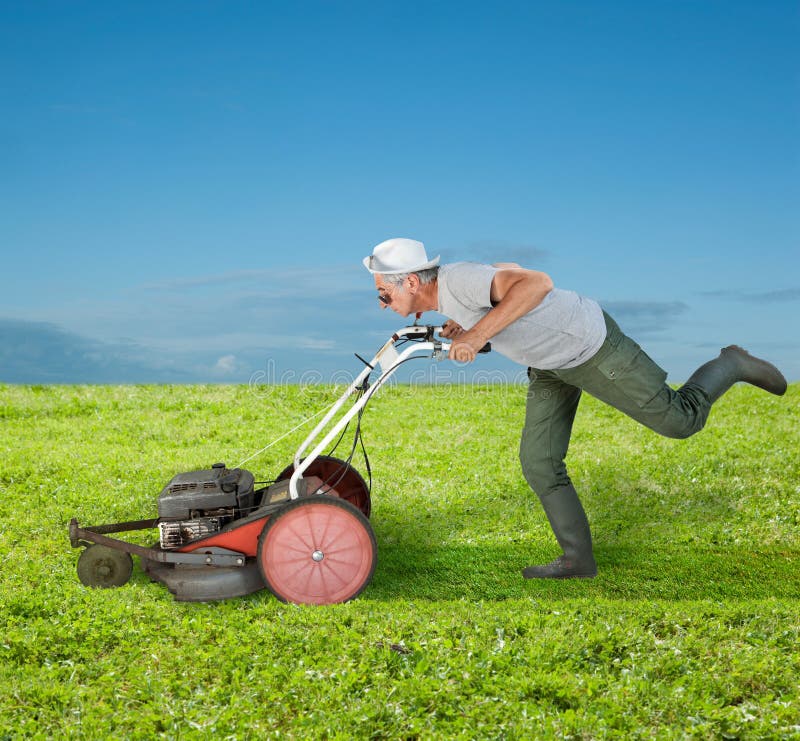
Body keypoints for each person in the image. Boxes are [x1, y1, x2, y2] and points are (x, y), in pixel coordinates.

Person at [363, 237, 788, 579]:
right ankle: (577, 559)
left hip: (591, 347)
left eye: (384, 293)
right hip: (550, 364)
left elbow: (537, 283)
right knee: (539, 462)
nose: (382, 304)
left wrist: (476, 336)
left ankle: (731, 363)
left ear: (411, 282)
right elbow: (506, 273)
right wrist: (472, 326)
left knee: (680, 421)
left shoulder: (458, 280)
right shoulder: (452, 294)